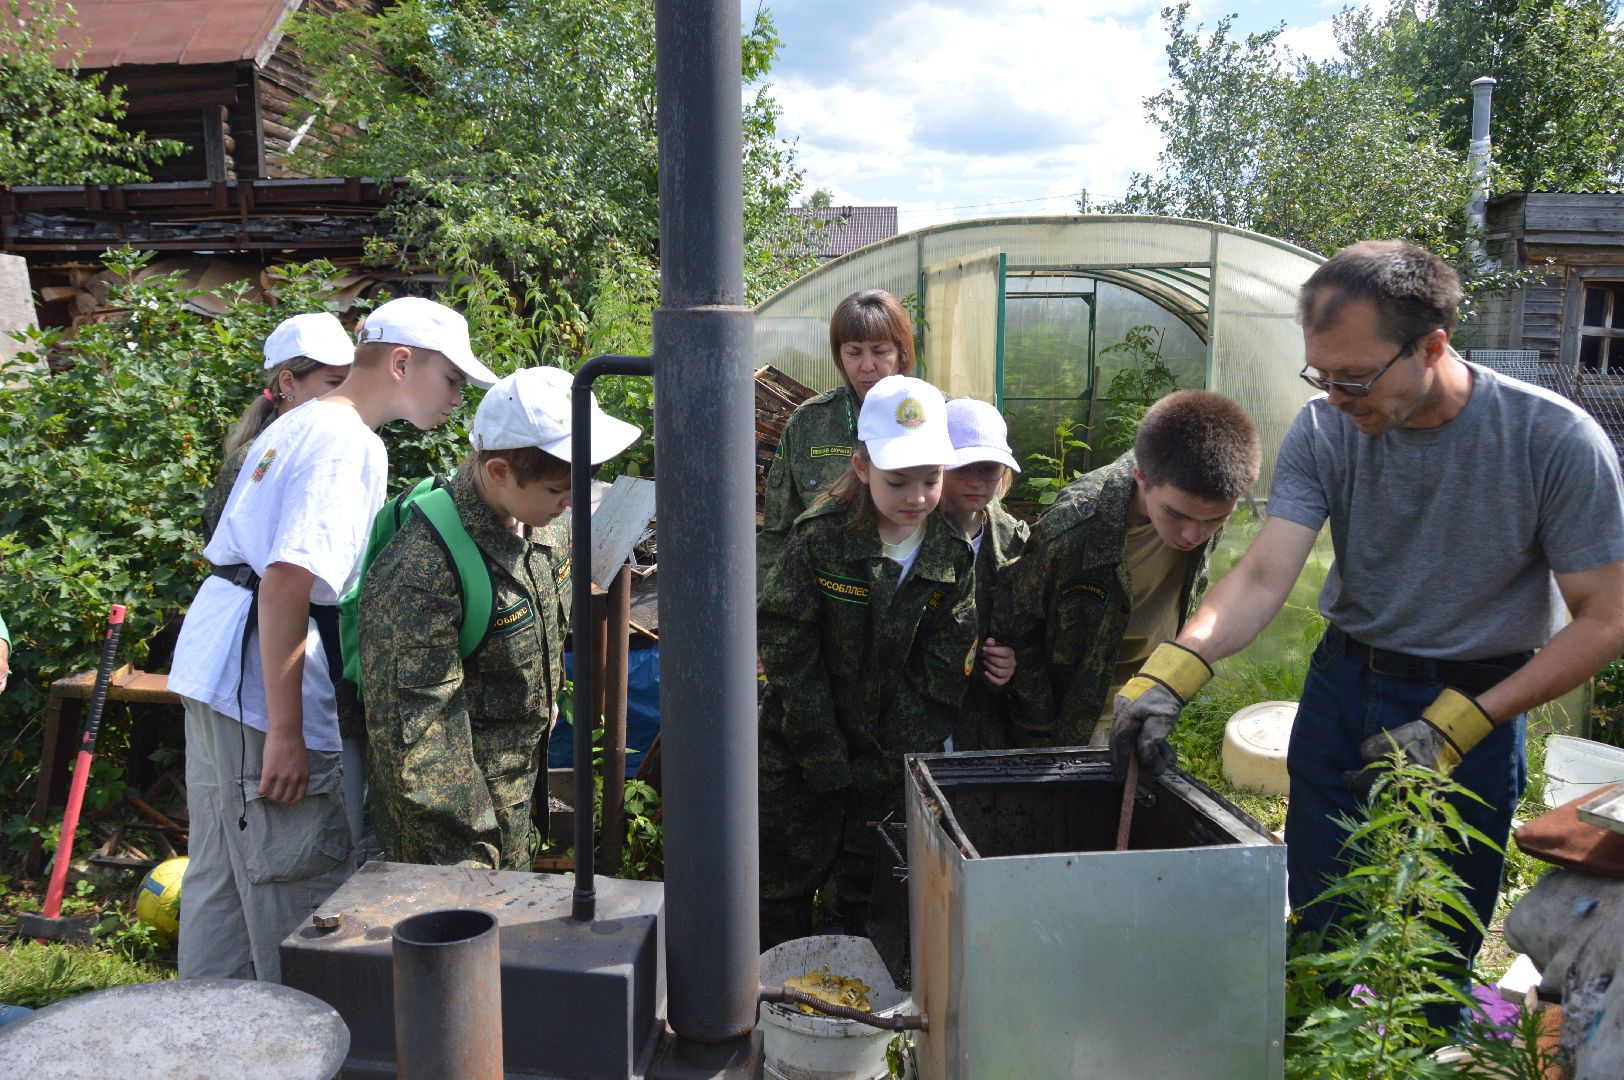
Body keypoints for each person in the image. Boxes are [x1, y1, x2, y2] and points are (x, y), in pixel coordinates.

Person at [1112, 240, 1624, 1009]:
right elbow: (1261, 575)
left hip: (1480, 700)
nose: (1336, 396)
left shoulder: (1551, 440)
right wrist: (1169, 675)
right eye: (1320, 376)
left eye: (1353, 378)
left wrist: (1459, 727)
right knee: (1322, 917)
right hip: (1345, 683)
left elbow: (1606, 620)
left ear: (1432, 345)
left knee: (1436, 936)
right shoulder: (1326, 430)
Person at [167, 296, 497, 983]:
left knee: (222, 878)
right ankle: (295, 1042)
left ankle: (209, 1042)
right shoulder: (350, 442)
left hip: (220, 662)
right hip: (257, 683)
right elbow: (286, 581)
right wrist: (286, 731)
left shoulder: (305, 421)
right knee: (291, 877)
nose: (457, 400)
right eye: (453, 380)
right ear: (401, 362)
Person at [359, 367, 639, 869]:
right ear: (499, 471)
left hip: (516, 801)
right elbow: (417, 737)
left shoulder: (543, 528)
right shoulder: (422, 567)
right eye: (558, 490)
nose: (571, 502)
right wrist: (476, 860)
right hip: (455, 838)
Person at [758, 375, 977, 949]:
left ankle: (856, 1013)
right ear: (861, 468)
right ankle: (766, 1004)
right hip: (800, 750)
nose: (917, 497)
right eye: (897, 480)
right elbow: (786, 648)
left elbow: (943, 665)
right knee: (780, 885)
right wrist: (823, 752)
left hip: (888, 760)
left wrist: (886, 756)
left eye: (931, 480)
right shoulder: (821, 540)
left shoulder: (951, 555)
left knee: (867, 887)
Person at [996, 391, 1259, 748]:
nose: (1193, 536)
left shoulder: (1206, 500)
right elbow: (1016, 625)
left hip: (1149, 700)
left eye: (1215, 520)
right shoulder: (1075, 527)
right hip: (1070, 724)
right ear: (1141, 477)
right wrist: (1040, 722)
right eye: (1177, 515)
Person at [757, 289, 917, 587]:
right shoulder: (810, 423)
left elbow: (975, 522)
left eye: (880, 351)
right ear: (839, 356)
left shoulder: (936, 416)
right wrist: (761, 613)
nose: (867, 366)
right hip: (828, 599)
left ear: (901, 352)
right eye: (854, 352)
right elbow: (778, 535)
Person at [202, 312, 354, 539]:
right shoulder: (256, 459)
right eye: (334, 383)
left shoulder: (342, 445)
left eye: (350, 381)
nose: (348, 393)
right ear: (288, 382)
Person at [939, 397, 1027, 750]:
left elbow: (1031, 629)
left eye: (989, 468)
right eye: (963, 467)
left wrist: (1012, 660)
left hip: (982, 723)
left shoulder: (1015, 542)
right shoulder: (908, 535)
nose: (976, 481)